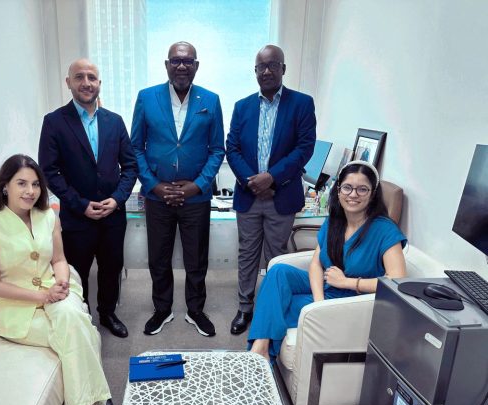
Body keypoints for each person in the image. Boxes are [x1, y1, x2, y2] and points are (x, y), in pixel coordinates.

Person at [0, 154, 113, 405]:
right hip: (16, 309)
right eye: (22, 183)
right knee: (81, 331)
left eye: (36, 184)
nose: (31, 191)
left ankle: (89, 404)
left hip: (54, 292)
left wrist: (62, 283)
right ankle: (96, 402)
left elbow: (59, 259)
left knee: (73, 320)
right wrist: (43, 296)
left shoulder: (48, 216)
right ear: (5, 186)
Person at [248, 160, 407, 361]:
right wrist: (319, 302)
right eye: (347, 187)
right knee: (278, 272)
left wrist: (348, 282)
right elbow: (316, 263)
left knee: (276, 306)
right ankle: (260, 349)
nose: (353, 194)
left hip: (352, 297)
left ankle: (260, 353)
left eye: (362, 189)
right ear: (338, 190)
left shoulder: (385, 229)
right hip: (327, 286)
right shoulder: (335, 220)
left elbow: (397, 280)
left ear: (373, 193)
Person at [130, 41, 225, 337]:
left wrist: (197, 186)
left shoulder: (211, 100)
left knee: (196, 258)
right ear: (166, 65)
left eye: (187, 61)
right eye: (175, 61)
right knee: (158, 257)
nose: (181, 66)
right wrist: (154, 186)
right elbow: (136, 147)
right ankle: (162, 309)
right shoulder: (147, 98)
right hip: (158, 196)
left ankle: (195, 310)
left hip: (195, 197)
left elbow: (217, 150)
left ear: (196, 65)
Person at [39, 59, 138, 338]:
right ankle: (80, 316)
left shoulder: (114, 122)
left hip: (112, 215)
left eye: (92, 77)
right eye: (79, 77)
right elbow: (49, 171)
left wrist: (117, 199)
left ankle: (108, 313)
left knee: (111, 268)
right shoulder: (54, 122)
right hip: (77, 216)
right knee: (77, 272)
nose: (86, 83)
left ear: (99, 83)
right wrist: (80, 204)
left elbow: (130, 166)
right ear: (68, 82)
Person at [226, 45, 317, 335]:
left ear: (283, 69)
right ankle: (244, 308)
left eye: (273, 65)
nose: (266, 71)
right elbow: (232, 148)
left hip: (282, 194)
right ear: (255, 72)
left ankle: (270, 308)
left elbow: (304, 148)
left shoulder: (302, 103)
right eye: (261, 67)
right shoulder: (242, 106)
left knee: (276, 257)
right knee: (247, 253)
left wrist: (272, 178)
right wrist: (252, 181)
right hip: (249, 195)